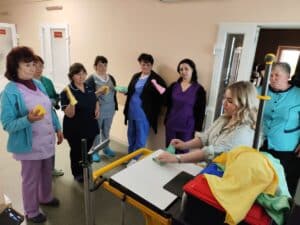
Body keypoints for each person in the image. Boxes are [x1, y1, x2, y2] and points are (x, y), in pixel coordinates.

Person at [0, 46, 63, 223]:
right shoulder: (9, 92)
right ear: (14, 68)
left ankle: (45, 197)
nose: (32, 68)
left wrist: (58, 128)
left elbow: (49, 109)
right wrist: (28, 119)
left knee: (46, 172)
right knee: (30, 179)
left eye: (32, 64)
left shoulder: (38, 83)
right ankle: (31, 211)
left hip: (47, 140)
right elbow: (8, 124)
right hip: (29, 145)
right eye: (27, 65)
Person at [157, 81, 258, 164]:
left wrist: (178, 158)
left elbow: (211, 152)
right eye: (224, 98)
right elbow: (205, 138)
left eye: (230, 101)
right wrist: (184, 145)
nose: (224, 103)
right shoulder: (224, 118)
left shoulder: (244, 131)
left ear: (244, 104)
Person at [260, 62, 300, 197]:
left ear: (287, 76)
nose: (273, 78)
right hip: (261, 144)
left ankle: (279, 214)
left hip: (286, 148)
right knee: (260, 180)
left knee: (281, 185)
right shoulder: (260, 90)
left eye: (277, 75)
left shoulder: (298, 94)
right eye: (270, 75)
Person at [61, 63, 99, 183]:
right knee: (77, 151)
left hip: (90, 126)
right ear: (72, 76)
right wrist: (72, 102)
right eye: (78, 74)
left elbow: (95, 99)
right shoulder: (67, 91)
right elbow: (69, 114)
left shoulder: (88, 86)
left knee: (87, 150)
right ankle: (77, 173)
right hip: (75, 129)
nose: (81, 76)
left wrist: (98, 108)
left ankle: (86, 169)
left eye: (83, 73)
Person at [123, 53, 166, 159]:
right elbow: (130, 90)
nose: (145, 67)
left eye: (147, 64)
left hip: (144, 113)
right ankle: (129, 156)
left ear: (151, 65)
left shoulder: (156, 78)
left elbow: (164, 93)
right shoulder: (136, 76)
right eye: (143, 64)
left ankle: (135, 158)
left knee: (141, 138)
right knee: (131, 135)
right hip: (132, 111)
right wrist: (126, 91)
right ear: (140, 64)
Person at [165, 58, 206, 153]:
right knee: (169, 151)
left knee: (183, 153)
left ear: (193, 70)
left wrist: (198, 130)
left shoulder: (199, 90)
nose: (183, 71)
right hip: (171, 124)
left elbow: (201, 111)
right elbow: (165, 102)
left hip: (187, 127)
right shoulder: (174, 86)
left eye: (186, 69)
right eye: (181, 69)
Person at [33, 55, 64, 176]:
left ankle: (51, 169)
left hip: (49, 119)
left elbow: (55, 97)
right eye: (35, 65)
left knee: (50, 146)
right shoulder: (25, 84)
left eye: (41, 66)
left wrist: (54, 101)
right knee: (37, 148)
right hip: (35, 122)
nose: (38, 68)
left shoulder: (47, 82)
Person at [85, 56, 118, 162]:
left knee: (106, 129)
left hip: (110, 108)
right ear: (95, 67)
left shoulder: (111, 78)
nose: (103, 67)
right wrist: (99, 92)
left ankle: (106, 147)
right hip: (98, 109)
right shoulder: (91, 79)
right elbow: (87, 96)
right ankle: (94, 150)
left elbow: (114, 92)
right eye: (100, 65)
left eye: (105, 65)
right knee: (96, 131)